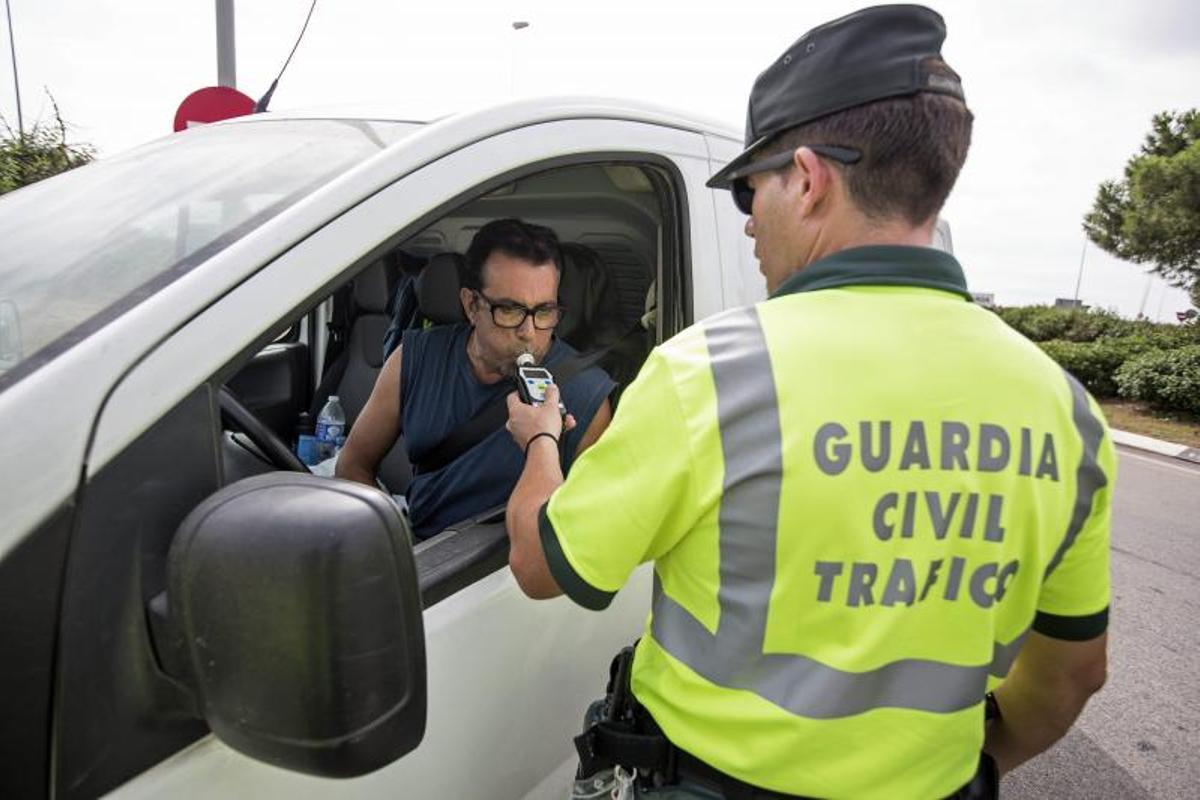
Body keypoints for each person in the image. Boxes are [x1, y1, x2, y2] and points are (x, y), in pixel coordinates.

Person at [504, 6, 1114, 799]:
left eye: (750, 192)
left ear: (812, 178)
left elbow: (541, 565)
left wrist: (542, 441)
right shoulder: (1066, 412)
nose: (751, 220)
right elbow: (1072, 674)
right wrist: (965, 767)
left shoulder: (709, 377)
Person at [338, 218, 614, 540]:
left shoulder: (587, 395)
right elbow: (352, 464)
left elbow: (586, 531)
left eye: (543, 312)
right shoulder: (415, 356)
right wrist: (392, 545)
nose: (528, 333)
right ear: (471, 305)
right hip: (420, 556)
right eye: (509, 310)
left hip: (496, 576)